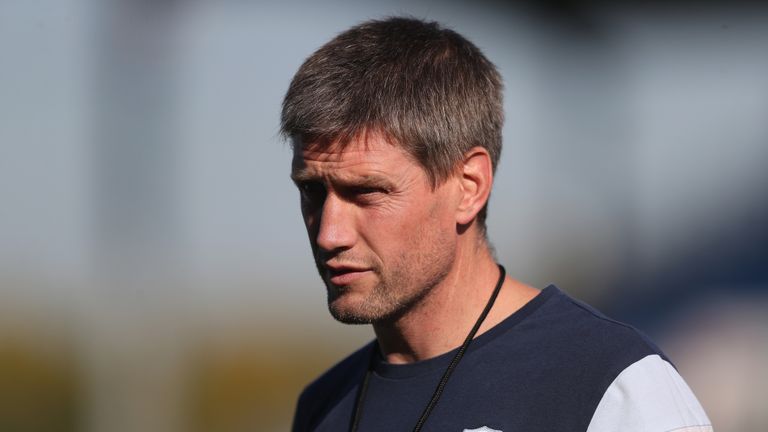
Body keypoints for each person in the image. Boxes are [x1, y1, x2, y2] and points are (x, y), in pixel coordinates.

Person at [281, 16, 712, 432]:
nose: (329, 233)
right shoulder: (323, 406)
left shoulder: (611, 384)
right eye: (313, 192)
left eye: (367, 192)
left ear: (469, 186)